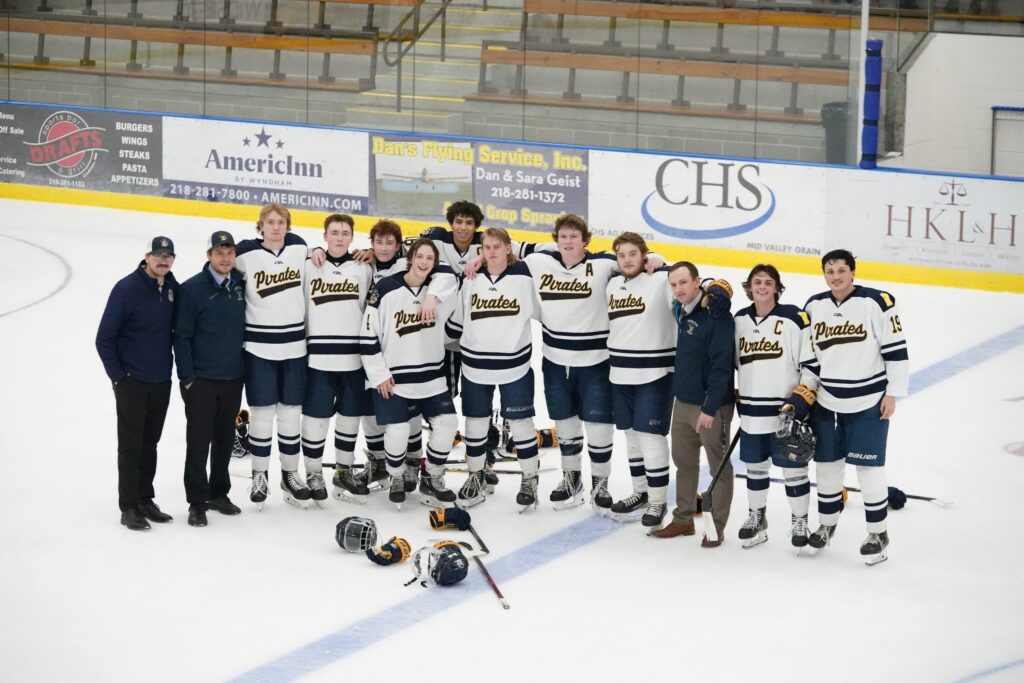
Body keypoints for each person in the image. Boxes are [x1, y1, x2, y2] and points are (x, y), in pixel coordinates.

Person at [800, 249, 908, 563]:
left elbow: (897, 351)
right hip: (827, 401)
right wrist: (804, 394)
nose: (835, 276)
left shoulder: (878, 302)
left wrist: (892, 393)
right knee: (828, 468)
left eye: (841, 270)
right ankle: (826, 527)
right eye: (829, 271)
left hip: (868, 401)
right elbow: (811, 360)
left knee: (869, 468)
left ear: (853, 272)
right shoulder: (814, 306)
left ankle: (878, 533)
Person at [360, 238, 460, 509]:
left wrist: (430, 297)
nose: (424, 262)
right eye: (420, 256)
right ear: (410, 257)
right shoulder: (385, 288)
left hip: (432, 378)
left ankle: (432, 475)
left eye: (430, 258)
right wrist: (379, 374)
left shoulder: (438, 290)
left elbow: (452, 277)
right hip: (395, 379)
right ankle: (396, 476)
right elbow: (368, 335)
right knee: (398, 430)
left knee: (448, 424)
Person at [446, 227, 541, 510]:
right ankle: (476, 474)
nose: (491, 252)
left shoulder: (525, 276)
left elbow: (553, 252)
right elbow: (457, 322)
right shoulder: (470, 279)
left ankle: (530, 478)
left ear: (509, 248)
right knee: (474, 423)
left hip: (515, 366)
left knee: (522, 425)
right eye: (486, 247)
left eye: (497, 247)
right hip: (475, 367)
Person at [96, 236, 179, 531]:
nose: (163, 260)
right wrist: (119, 377)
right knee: (131, 445)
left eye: (169, 256)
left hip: (160, 380)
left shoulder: (171, 288)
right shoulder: (126, 289)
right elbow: (104, 338)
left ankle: (145, 498)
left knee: (150, 443)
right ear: (147, 257)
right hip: (132, 381)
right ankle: (128, 506)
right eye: (158, 255)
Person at [732, 264, 816, 548]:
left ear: (778, 288)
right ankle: (757, 517)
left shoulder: (794, 318)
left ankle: (799, 520)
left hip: (784, 414)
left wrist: (799, 400)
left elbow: (811, 365)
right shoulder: (739, 320)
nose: (762, 286)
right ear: (749, 286)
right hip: (751, 413)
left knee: (794, 471)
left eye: (768, 282)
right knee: (755, 469)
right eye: (757, 281)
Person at [233, 203, 310, 510]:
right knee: (262, 414)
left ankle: (290, 475)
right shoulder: (244, 254)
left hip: (294, 348)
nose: (276, 227)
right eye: (270, 222)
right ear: (260, 225)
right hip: (258, 348)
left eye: (281, 222)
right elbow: (219, 267)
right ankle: (260, 475)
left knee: (291, 413)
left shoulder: (300, 249)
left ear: (288, 226)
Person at [655, 261, 735, 547]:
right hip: (683, 402)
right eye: (674, 284)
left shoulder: (716, 315)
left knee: (719, 468)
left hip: (711, 407)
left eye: (684, 283)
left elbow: (721, 367)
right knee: (684, 464)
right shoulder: (681, 310)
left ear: (697, 282)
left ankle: (716, 526)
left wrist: (710, 407)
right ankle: (683, 519)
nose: (678, 289)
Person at [299, 214, 374, 505]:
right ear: (325, 235)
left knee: (349, 418)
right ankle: (314, 473)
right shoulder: (310, 264)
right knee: (316, 420)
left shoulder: (363, 268)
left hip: (353, 359)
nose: (340, 237)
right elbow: (290, 250)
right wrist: (309, 250)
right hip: (317, 359)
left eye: (345, 233)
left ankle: (344, 469)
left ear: (352, 237)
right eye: (334, 232)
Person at [173, 231, 246, 527]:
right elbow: (182, 336)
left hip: (233, 377)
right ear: (209, 256)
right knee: (198, 442)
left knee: (225, 439)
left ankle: (219, 493)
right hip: (202, 380)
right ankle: (197, 501)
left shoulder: (241, 283)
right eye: (219, 253)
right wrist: (188, 377)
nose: (225, 258)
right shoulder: (192, 289)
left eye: (229, 253)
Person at [604, 233, 676, 529]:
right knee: (631, 436)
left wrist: (664, 263)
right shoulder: (611, 284)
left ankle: (658, 500)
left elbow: (687, 280)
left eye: (634, 254)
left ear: (644, 255)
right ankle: (641, 492)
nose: (627, 260)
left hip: (655, 372)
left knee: (650, 437)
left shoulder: (661, 279)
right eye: (622, 255)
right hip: (620, 372)